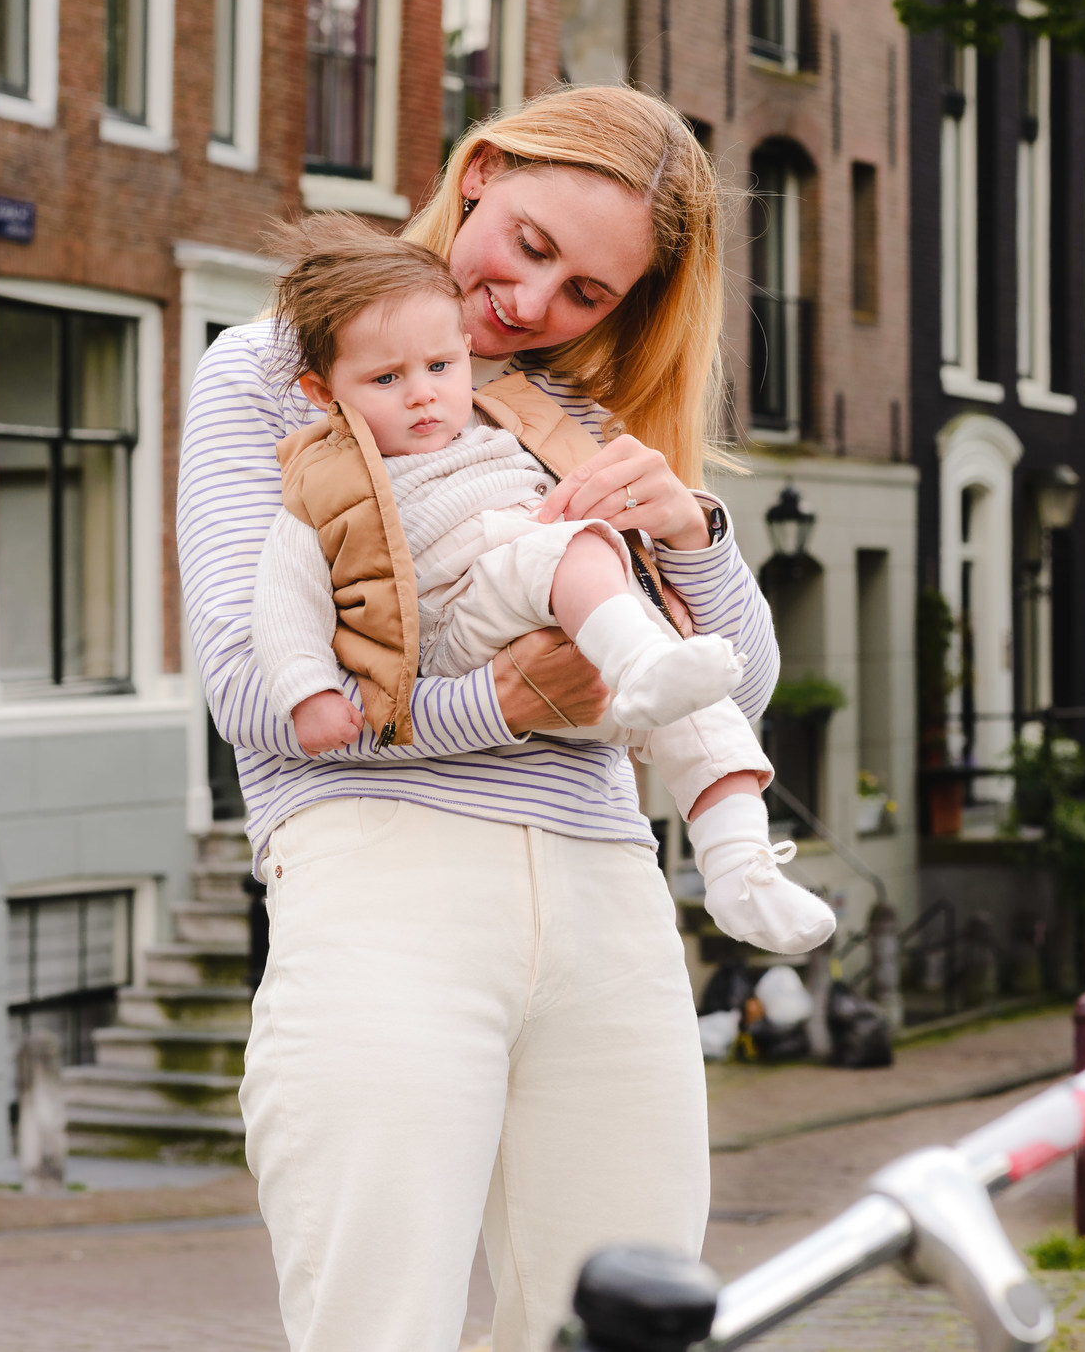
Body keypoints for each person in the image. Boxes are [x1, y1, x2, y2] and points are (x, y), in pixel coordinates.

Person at [176, 85, 787, 1352]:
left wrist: (695, 530)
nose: (531, 302)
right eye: (531, 243)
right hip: (383, 883)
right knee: (377, 1324)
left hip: (608, 897)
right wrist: (502, 704)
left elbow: (744, 689)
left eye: (586, 296)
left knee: (629, 1319)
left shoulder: (581, 424)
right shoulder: (271, 370)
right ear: (479, 173)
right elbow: (252, 686)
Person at [248, 214, 834, 956]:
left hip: (568, 647)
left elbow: (750, 687)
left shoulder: (525, 418)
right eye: (387, 380)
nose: (423, 396)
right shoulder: (327, 477)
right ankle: (640, 659)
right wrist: (310, 692)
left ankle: (741, 869)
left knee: (702, 711)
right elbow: (282, 596)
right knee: (566, 554)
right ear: (321, 391)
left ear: (463, 355)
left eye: (439, 369)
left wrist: (686, 538)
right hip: (456, 613)